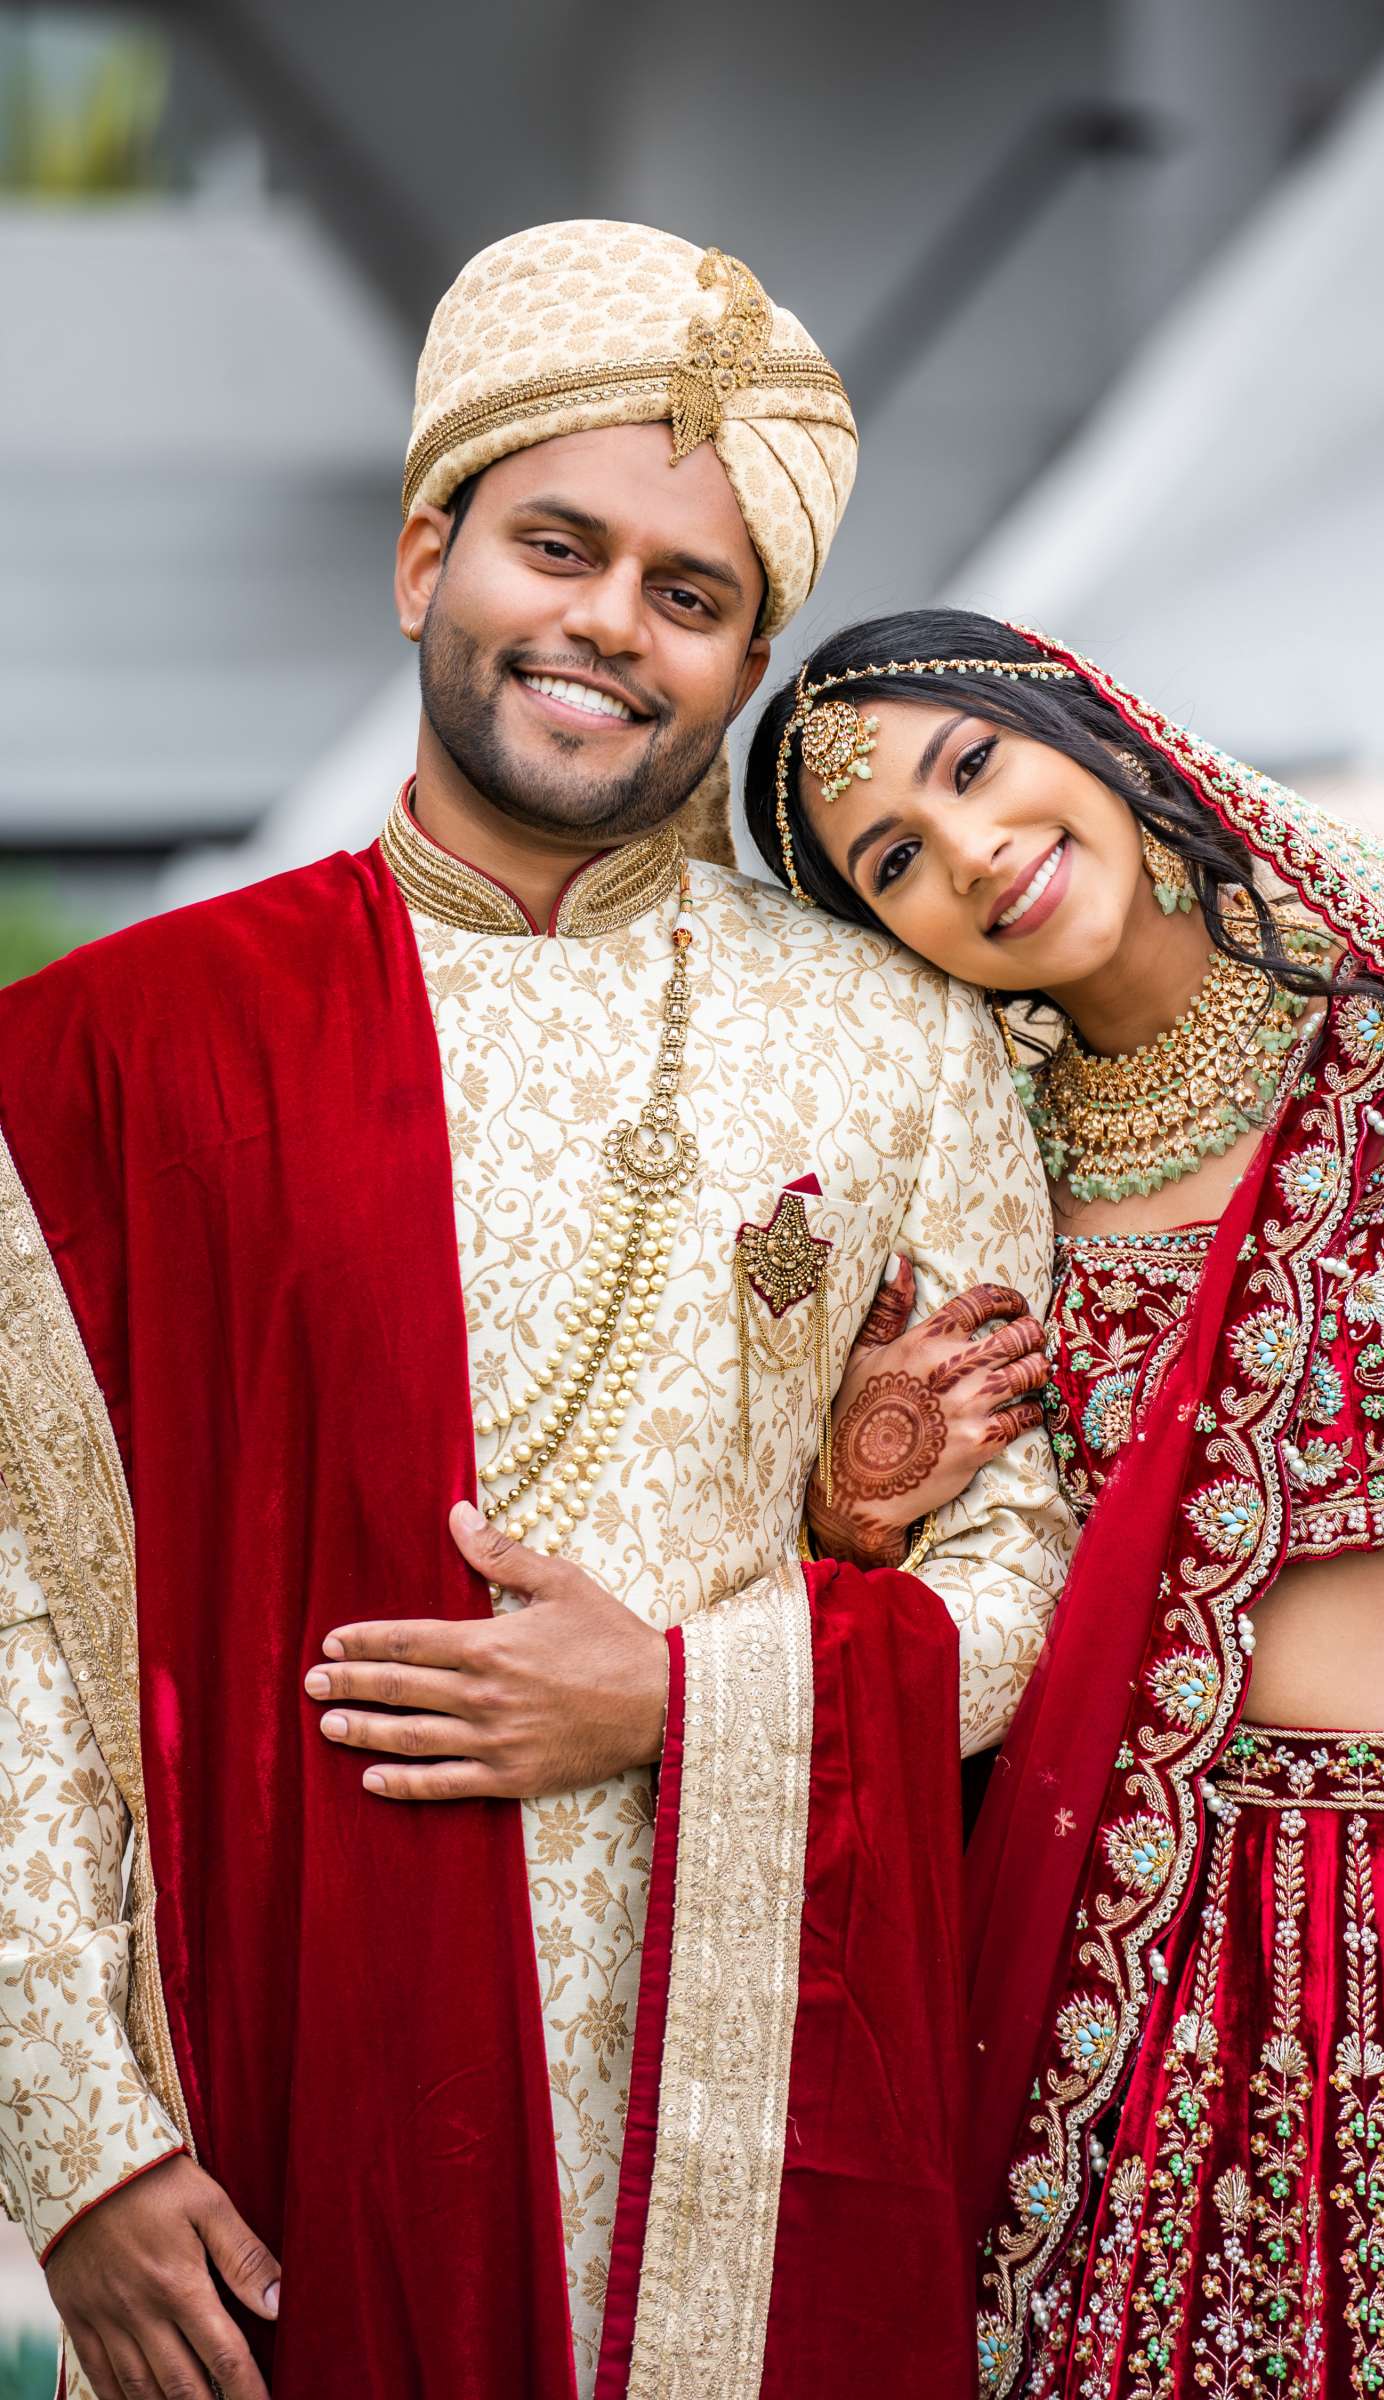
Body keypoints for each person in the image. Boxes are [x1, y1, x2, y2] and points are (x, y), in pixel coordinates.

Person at [0, 245, 1072, 2400]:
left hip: (763, 2120)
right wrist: (78, 2143)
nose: (609, 624)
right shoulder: (113, 1056)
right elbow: (15, 1603)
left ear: (749, 657)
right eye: (557, 546)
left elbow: (1024, 1551)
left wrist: (683, 1696)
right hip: (281, 2097)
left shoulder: (901, 1039)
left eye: (689, 593)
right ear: (426, 557)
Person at [743, 605, 1384, 2397]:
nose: (970, 849)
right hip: (1149, 1957)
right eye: (892, 856)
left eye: (972, 765)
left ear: (1093, 724)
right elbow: (960, 1590)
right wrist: (860, 1494)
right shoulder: (975, 1166)